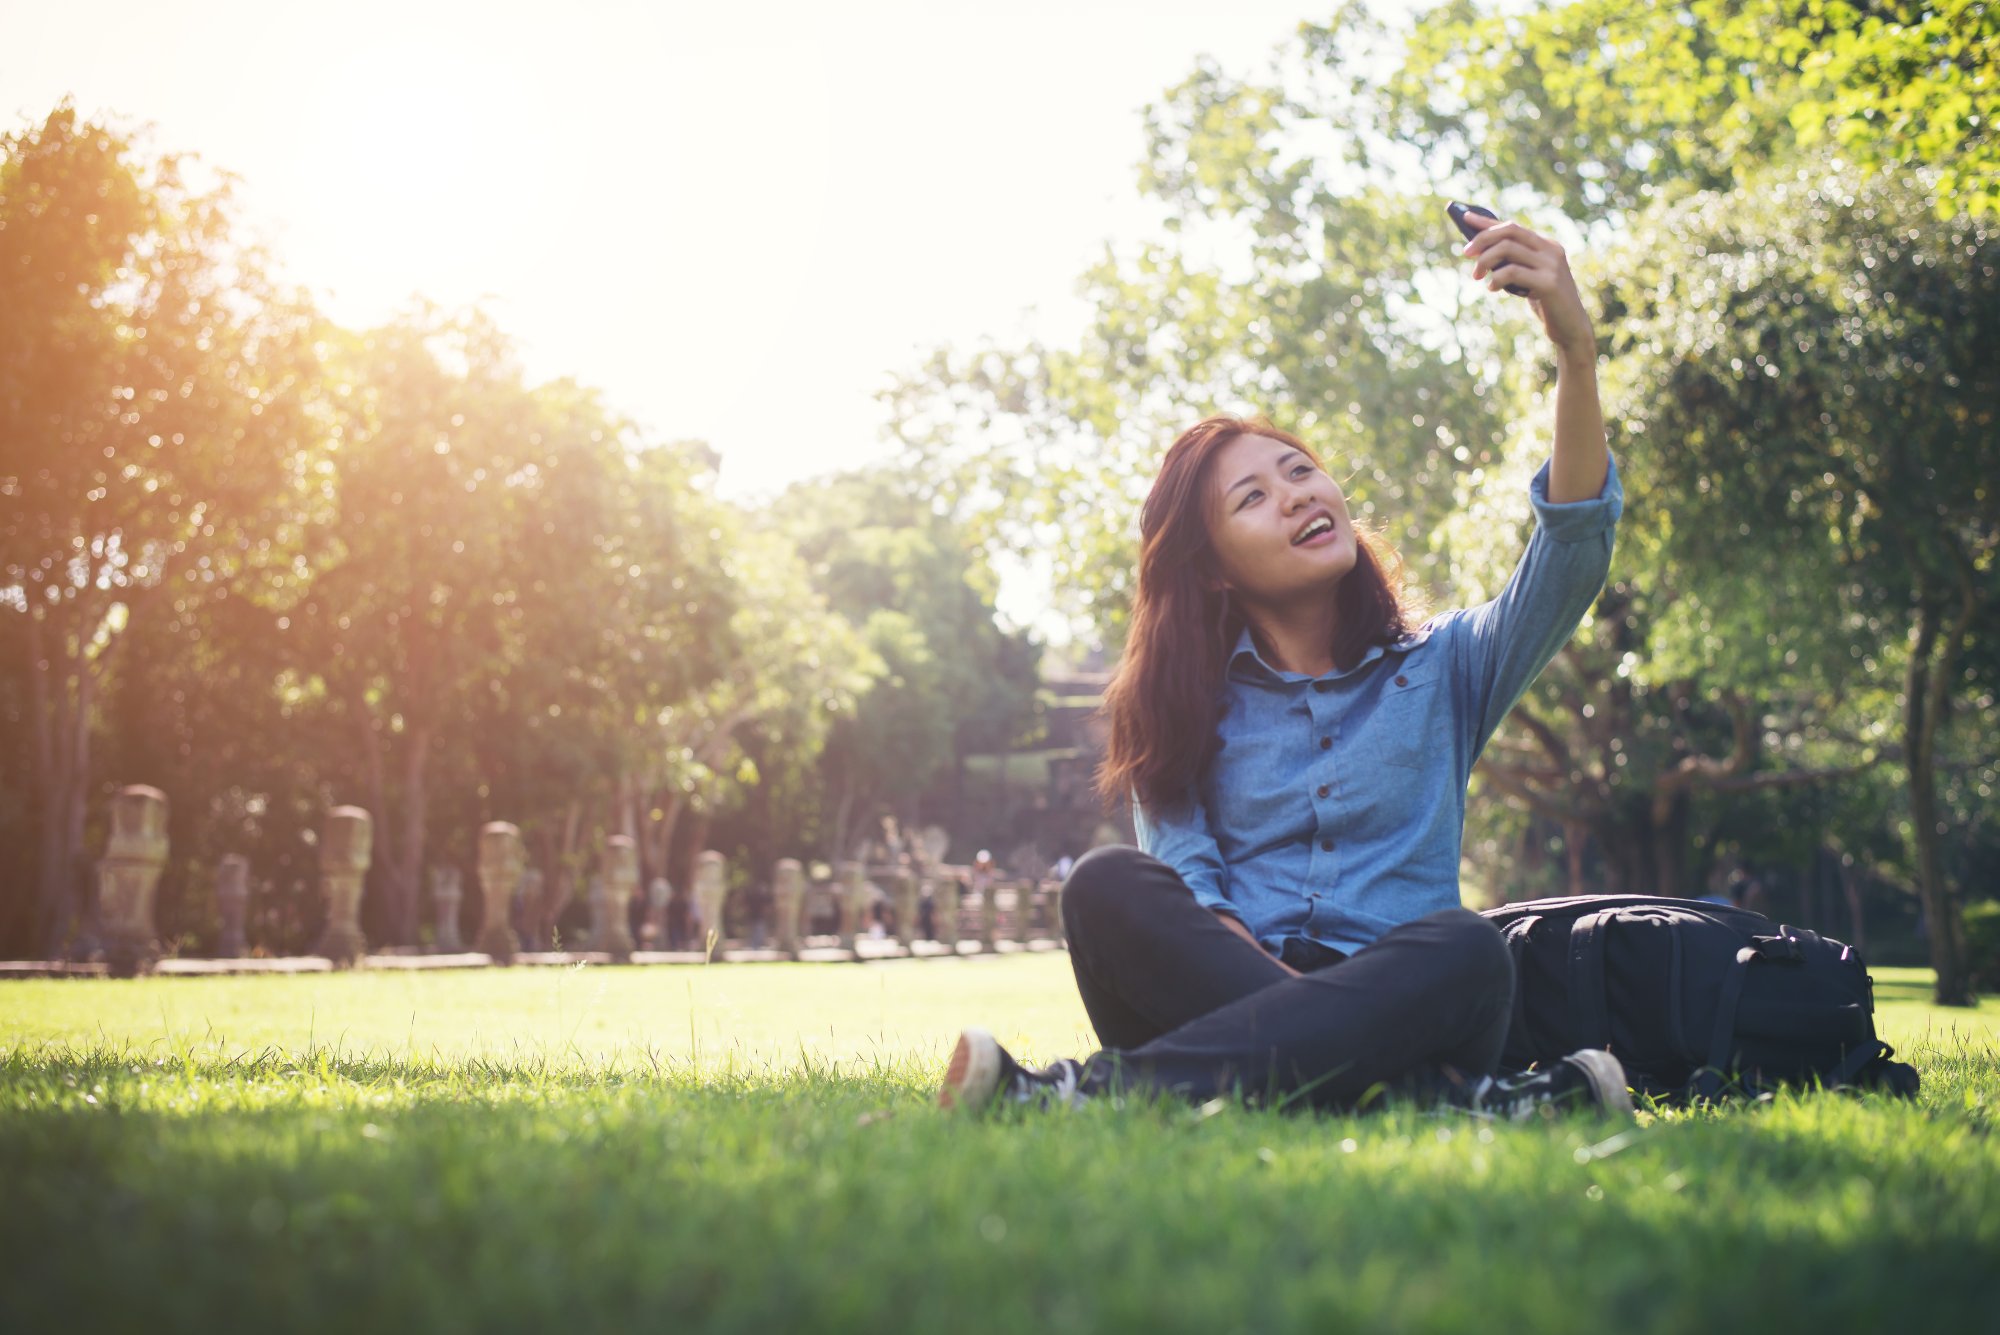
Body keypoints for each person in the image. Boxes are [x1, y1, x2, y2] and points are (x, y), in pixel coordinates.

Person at [941, 206, 1632, 1120]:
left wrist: (1575, 355)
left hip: (1412, 990)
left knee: (1466, 947)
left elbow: (1572, 553)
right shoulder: (1177, 704)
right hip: (1237, 982)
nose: (1298, 495)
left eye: (1300, 469)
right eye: (1254, 496)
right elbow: (1191, 886)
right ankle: (1444, 1099)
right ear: (1217, 573)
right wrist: (1320, 1022)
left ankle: (1084, 1096)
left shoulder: (1448, 668)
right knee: (1107, 884)